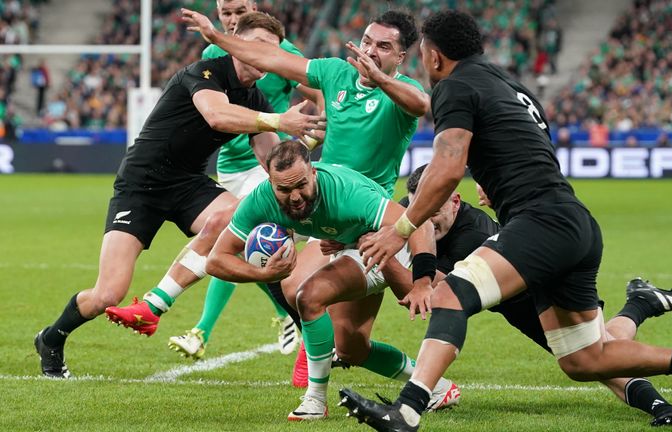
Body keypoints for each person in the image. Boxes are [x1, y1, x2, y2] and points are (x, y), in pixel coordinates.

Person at [340, 11, 672, 430]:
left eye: (424, 55)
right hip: (570, 223)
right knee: (584, 359)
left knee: (449, 296)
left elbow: (445, 169)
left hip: (542, 222)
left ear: (435, 56)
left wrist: (400, 230)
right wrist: (501, 191)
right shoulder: (513, 87)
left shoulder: (453, 86)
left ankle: (406, 413)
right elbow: (527, 151)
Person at [33, 13, 324, 379]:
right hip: (140, 185)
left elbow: (272, 162)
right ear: (236, 41)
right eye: (259, 46)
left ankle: (303, 329)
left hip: (188, 183)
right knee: (108, 293)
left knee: (241, 223)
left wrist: (306, 144)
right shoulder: (204, 72)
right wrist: (280, 120)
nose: (267, 57)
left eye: (273, 50)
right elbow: (216, 115)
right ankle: (52, 338)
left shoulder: (256, 97)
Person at [179, 7, 430, 387]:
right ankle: (432, 384)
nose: (371, 51)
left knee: (317, 306)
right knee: (349, 343)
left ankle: (320, 380)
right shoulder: (334, 73)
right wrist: (216, 38)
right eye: (366, 42)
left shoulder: (403, 93)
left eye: (383, 46)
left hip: (370, 221)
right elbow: (272, 58)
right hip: (325, 212)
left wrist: (380, 79)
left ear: (400, 57)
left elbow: (421, 105)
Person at [369, 165, 672, 427]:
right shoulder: (415, 206)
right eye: (419, 208)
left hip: (539, 295)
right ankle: (642, 303)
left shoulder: (473, 234)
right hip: (514, 300)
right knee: (598, 353)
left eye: (435, 211)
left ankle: (662, 402)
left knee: (600, 359)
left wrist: (391, 258)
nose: (425, 219)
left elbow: (444, 294)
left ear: (455, 200)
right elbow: (394, 224)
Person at [205, 140, 459, 421]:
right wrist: (263, 275)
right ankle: (437, 386)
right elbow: (216, 259)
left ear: (313, 172)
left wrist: (423, 280)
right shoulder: (261, 199)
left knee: (308, 295)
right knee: (352, 348)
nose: (295, 196)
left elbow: (419, 223)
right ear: (270, 181)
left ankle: (314, 400)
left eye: (301, 184)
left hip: (385, 244)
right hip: (350, 244)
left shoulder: (346, 193)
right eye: (284, 189)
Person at [167, 0, 325, 360]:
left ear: (253, 8)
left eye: (240, 11)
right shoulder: (213, 51)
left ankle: (200, 330)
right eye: (226, 14)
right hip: (230, 165)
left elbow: (320, 95)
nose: (233, 20)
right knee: (236, 241)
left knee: (234, 237)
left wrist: (309, 141)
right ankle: (286, 313)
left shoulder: (283, 53)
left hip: (266, 161)